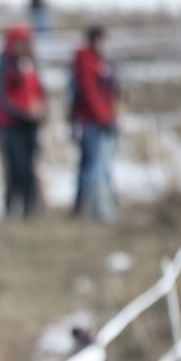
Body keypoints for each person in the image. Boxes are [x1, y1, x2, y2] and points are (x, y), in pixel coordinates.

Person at [0, 24, 48, 218]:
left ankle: (29, 207)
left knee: (28, 167)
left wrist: (42, 110)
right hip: (11, 126)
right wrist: (21, 113)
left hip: (30, 125)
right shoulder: (3, 66)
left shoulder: (30, 65)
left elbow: (40, 91)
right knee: (14, 167)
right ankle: (12, 207)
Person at [70, 25, 119, 223]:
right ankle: (96, 210)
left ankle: (104, 208)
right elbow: (90, 94)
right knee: (95, 167)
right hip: (93, 122)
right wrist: (103, 118)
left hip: (104, 120)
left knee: (103, 166)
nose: (104, 45)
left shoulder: (100, 63)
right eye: (101, 40)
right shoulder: (86, 62)